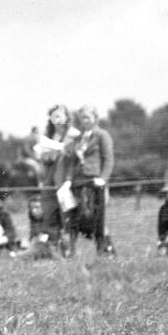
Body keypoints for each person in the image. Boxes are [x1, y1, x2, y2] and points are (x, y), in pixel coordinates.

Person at [65, 104, 116, 257]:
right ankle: (74, 252)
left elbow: (108, 160)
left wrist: (103, 179)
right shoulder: (79, 138)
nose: (84, 121)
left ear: (95, 118)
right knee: (77, 218)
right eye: (82, 118)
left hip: (95, 183)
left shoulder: (102, 135)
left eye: (87, 117)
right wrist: (68, 179)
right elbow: (73, 161)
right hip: (78, 183)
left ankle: (107, 251)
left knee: (97, 219)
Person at [34, 104, 80, 254]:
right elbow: (46, 159)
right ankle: (55, 249)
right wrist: (44, 155)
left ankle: (70, 251)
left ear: (67, 117)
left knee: (66, 216)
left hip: (65, 181)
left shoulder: (73, 134)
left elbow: (73, 156)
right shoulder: (49, 135)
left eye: (60, 115)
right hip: (49, 180)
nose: (57, 119)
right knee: (49, 215)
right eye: (54, 116)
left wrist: (58, 149)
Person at [19, 194, 58, 260]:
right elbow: (33, 235)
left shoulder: (51, 218)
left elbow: (51, 237)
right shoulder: (33, 218)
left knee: (20, 256)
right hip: (37, 245)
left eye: (37, 207)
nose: (33, 211)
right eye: (31, 208)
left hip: (51, 247)